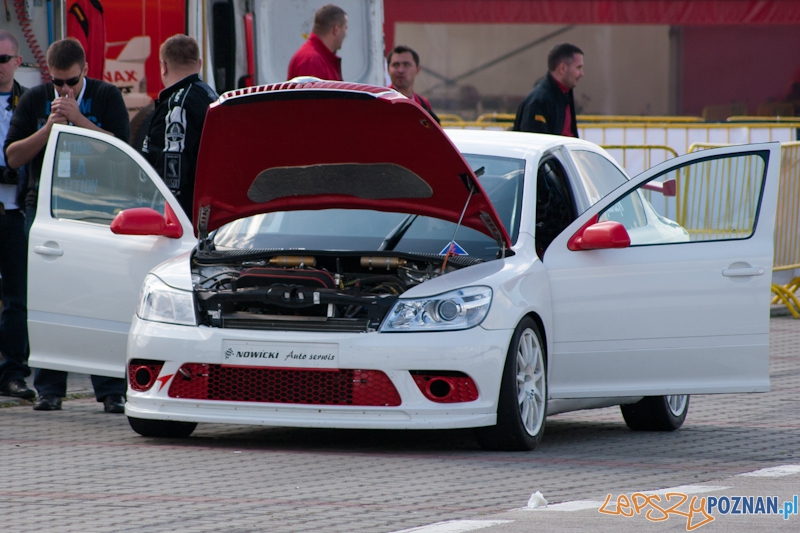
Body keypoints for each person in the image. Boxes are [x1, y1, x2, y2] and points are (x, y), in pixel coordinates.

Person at [4, 37, 130, 413]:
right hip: (45, 209)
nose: (63, 89)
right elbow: (13, 157)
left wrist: (79, 120)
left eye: (71, 81)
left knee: (101, 295)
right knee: (46, 297)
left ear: (85, 71)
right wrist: (48, 128)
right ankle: (49, 388)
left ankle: (110, 389)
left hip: (97, 209)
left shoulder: (106, 96)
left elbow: (122, 151)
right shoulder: (34, 99)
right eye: (57, 82)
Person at [141, 34, 217, 218]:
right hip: (207, 213)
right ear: (199, 64)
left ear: (164, 66)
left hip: (180, 220)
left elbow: (171, 178)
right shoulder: (211, 96)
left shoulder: (176, 107)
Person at [0, 30, 34, 401]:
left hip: (15, 211)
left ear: (17, 61)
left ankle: (12, 373)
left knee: (16, 298)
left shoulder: (28, 102)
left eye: (3, 59)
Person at [513, 43, 584, 137]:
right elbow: (534, 142)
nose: (582, 73)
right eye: (578, 67)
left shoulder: (565, 94)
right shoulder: (539, 101)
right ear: (562, 68)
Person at [287, 4, 347, 81]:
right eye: (345, 28)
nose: (345, 34)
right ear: (336, 30)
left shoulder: (319, 58)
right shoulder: (311, 61)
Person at [387, 45, 439, 124]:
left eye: (406, 65)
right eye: (396, 65)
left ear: (417, 69)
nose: (400, 70)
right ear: (388, 69)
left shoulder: (423, 104)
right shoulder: (382, 101)